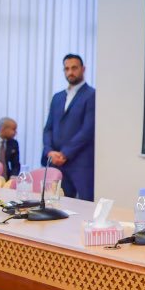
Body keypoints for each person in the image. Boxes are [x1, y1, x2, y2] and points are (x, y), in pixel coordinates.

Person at [42, 54, 95, 200]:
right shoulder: (57, 97)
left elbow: (87, 130)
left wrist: (64, 153)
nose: (70, 72)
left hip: (80, 163)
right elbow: (48, 128)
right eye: (66, 69)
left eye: (74, 68)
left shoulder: (92, 95)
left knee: (84, 207)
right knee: (57, 206)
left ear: (83, 69)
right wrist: (49, 151)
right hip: (56, 163)